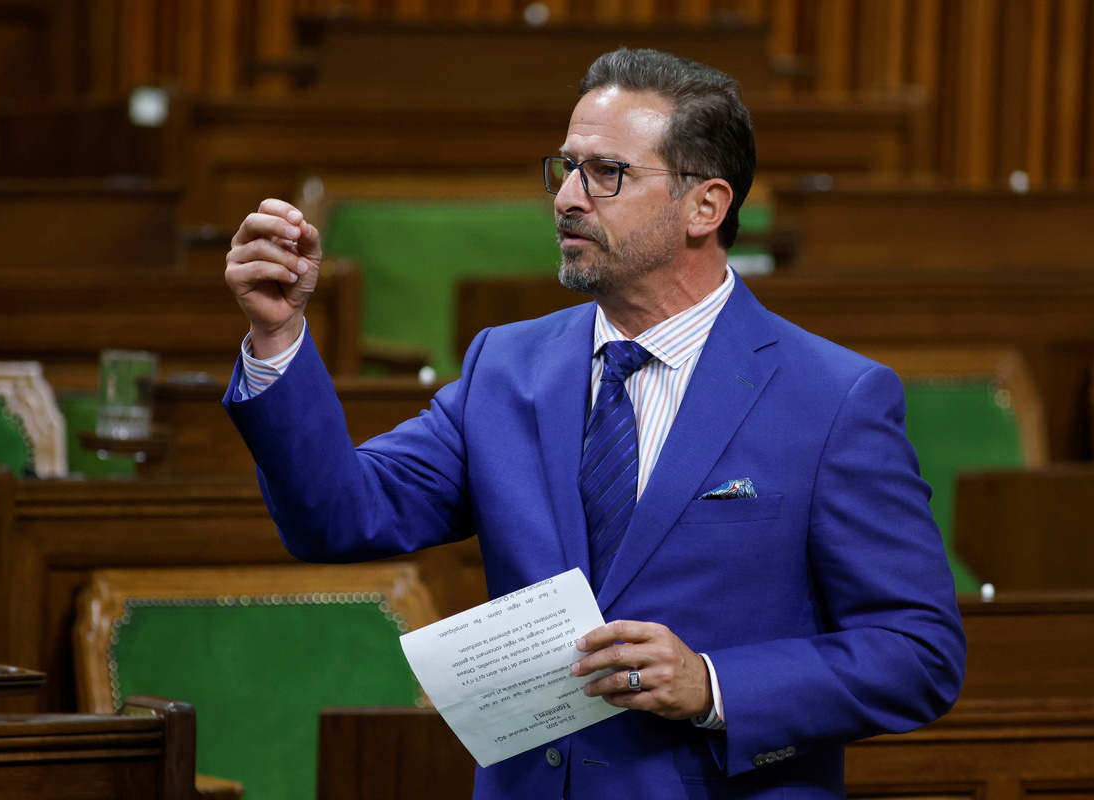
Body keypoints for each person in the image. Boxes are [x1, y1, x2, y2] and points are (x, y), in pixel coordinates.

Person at [223, 47, 965, 800]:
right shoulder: (505, 368)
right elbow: (337, 516)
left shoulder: (834, 398)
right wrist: (278, 339)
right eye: (566, 168)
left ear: (705, 207)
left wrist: (712, 684)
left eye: (607, 172)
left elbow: (919, 653)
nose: (568, 198)